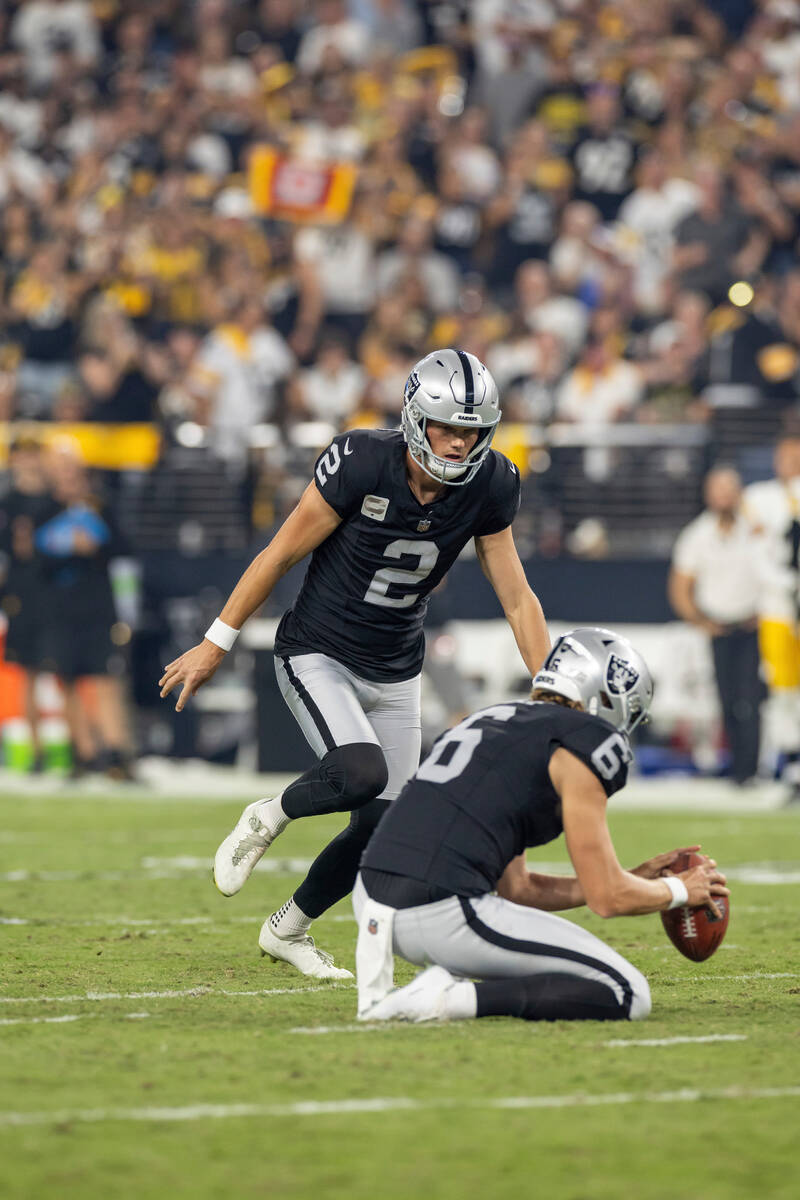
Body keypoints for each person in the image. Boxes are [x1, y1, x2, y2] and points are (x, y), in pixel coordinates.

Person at [159, 349, 550, 979]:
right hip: (320, 650)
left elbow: (517, 597)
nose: (458, 443)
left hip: (397, 666)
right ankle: (268, 815)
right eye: (447, 426)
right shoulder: (363, 460)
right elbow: (279, 553)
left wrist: (551, 688)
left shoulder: (493, 483)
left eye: (471, 430)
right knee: (361, 771)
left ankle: (288, 930)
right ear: (416, 419)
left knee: (382, 824)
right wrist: (216, 641)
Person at [352, 627, 728, 1024]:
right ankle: (449, 999)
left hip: (373, 901)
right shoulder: (584, 740)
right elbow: (608, 899)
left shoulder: (492, 720)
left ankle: (440, 989)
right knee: (627, 991)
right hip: (440, 910)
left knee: (581, 970)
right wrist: (677, 890)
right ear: (608, 695)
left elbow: (519, 888)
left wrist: (634, 879)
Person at [669, 466, 764, 786]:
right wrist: (702, 621)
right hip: (719, 629)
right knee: (727, 699)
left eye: (729, 489)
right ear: (709, 494)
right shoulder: (697, 535)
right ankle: (738, 769)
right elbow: (680, 586)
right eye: (718, 489)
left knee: (752, 699)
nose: (724, 496)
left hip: (753, 626)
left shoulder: (756, 528)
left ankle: (753, 769)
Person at [743, 435, 800, 802]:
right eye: (784, 455)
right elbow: (757, 553)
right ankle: (792, 766)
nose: (789, 462)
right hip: (778, 606)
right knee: (782, 691)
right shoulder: (758, 497)